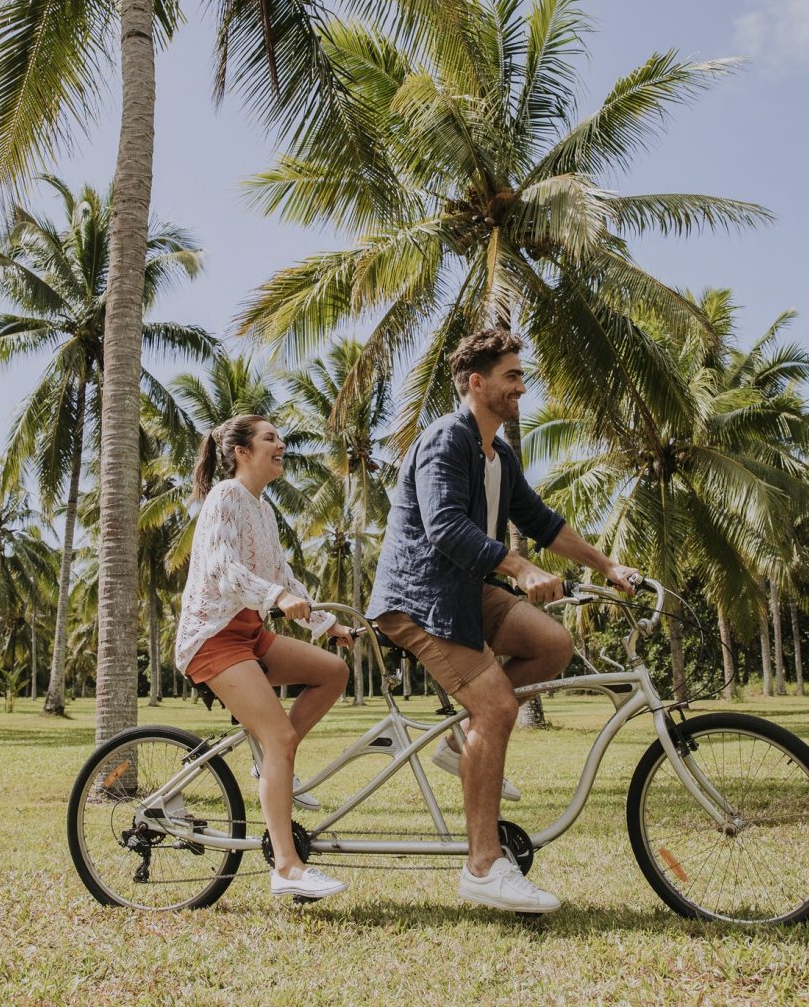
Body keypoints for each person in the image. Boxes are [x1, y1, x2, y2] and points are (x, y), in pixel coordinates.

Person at [368, 329, 641, 914]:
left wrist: (606, 562)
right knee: (495, 706)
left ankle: (462, 737)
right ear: (477, 383)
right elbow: (443, 527)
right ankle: (483, 868)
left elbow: (542, 521)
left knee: (552, 643)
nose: (523, 385)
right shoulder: (447, 439)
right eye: (512, 376)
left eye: (521, 375)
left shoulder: (501, 455)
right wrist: (516, 566)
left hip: (468, 589)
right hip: (420, 596)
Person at [174, 413, 355, 901]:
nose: (282, 444)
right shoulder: (226, 496)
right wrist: (276, 597)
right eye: (270, 438)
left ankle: (272, 766)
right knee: (281, 737)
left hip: (249, 634)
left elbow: (285, 576)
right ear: (242, 452)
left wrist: (326, 623)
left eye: (280, 437)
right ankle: (288, 868)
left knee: (333, 672)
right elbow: (221, 568)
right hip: (212, 637)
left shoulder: (264, 509)